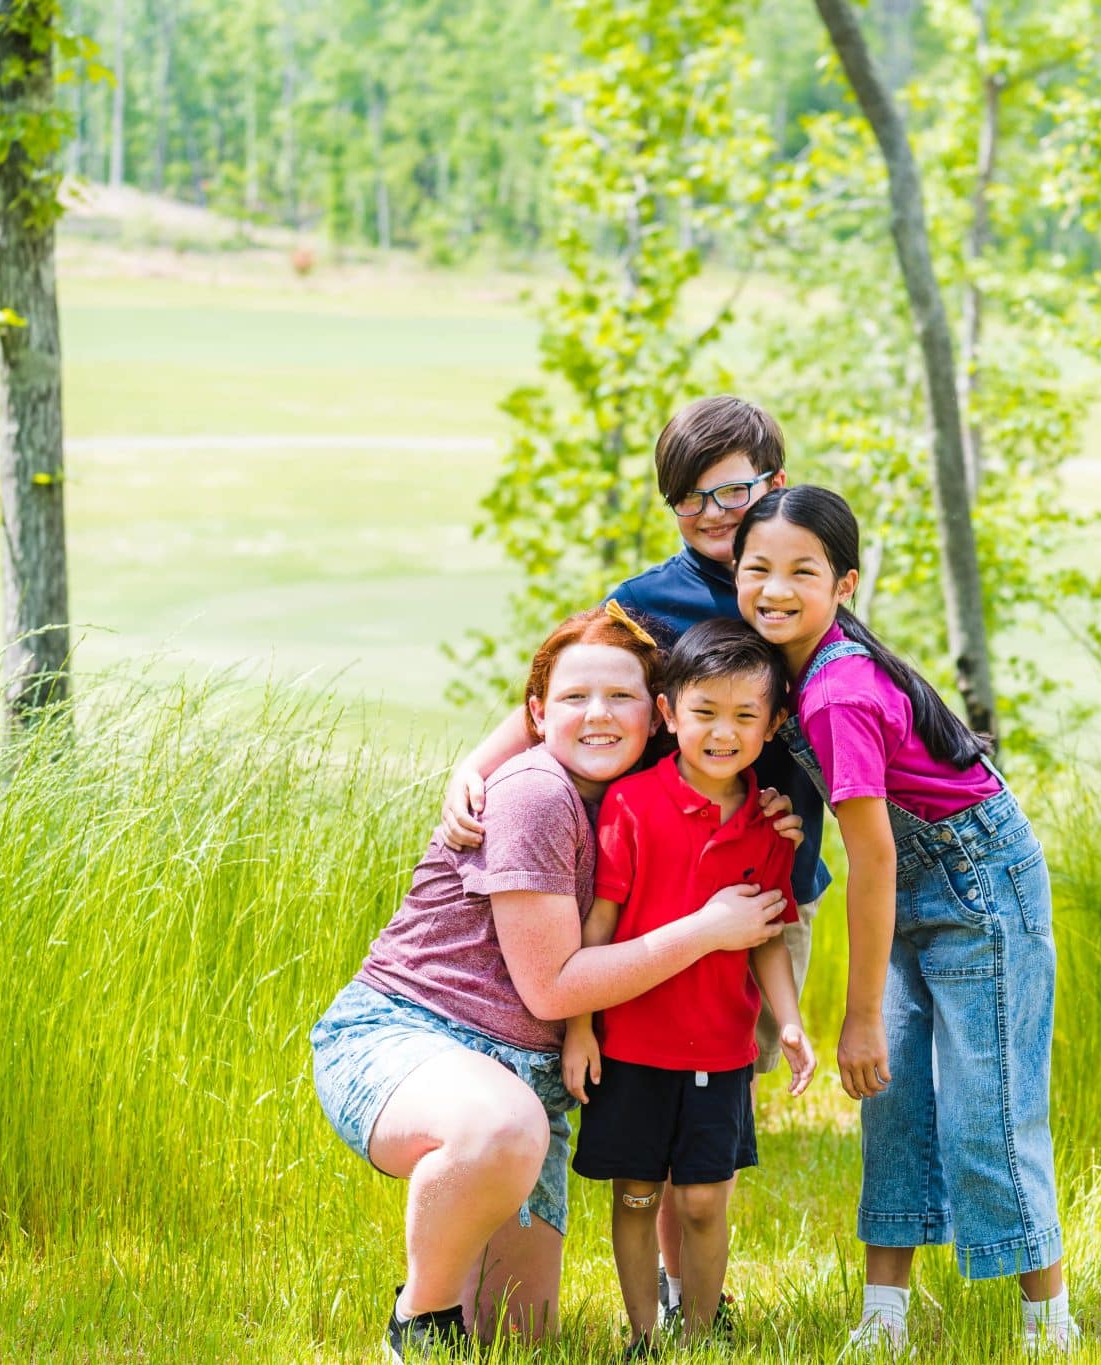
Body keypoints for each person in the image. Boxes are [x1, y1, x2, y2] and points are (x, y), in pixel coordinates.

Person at [309, 605, 798, 1360]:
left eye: (621, 697)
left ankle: (457, 1273)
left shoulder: (645, 786)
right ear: (537, 713)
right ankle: (420, 1322)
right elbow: (552, 990)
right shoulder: (536, 793)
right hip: (410, 1035)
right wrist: (709, 926)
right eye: (573, 698)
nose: (597, 715)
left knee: (520, 1337)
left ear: (657, 714)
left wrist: (763, 813)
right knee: (499, 1131)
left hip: (531, 1075)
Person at [438, 395, 830, 1321]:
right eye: (690, 498)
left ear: (773, 481)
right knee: (649, 1086)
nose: (714, 513)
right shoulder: (653, 599)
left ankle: (694, 1280)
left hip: (769, 877)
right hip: (659, 884)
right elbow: (566, 674)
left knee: (724, 1087)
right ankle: (672, 1295)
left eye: (734, 489)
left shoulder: (798, 576)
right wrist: (476, 763)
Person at [732, 486, 1079, 1354]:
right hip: (918, 883)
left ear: (844, 584)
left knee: (986, 1105)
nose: (775, 588)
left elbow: (874, 857)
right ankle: (884, 1318)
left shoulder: (837, 690)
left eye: (801, 572)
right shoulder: (793, 667)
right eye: (756, 568)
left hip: (977, 887)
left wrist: (858, 1017)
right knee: (889, 1102)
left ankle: (1050, 1323)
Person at [564, 617, 819, 1355]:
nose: (722, 732)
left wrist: (793, 1021)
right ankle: (644, 1337)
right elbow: (599, 923)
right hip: (633, 1047)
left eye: (745, 716)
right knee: (638, 1193)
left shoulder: (773, 827)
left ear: (772, 726)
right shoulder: (631, 805)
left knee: (704, 1198)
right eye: (704, 712)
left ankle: (703, 1334)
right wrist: (580, 1026)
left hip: (721, 1047)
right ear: (669, 713)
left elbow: (767, 934)